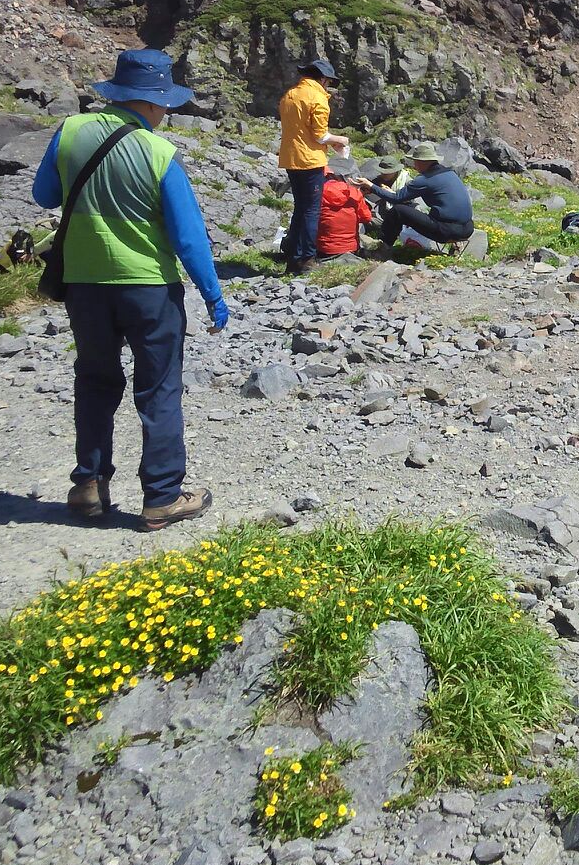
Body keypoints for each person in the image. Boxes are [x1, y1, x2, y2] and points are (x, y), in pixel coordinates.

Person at [31, 49, 229, 532]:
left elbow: (45, 195)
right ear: (152, 102)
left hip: (84, 284)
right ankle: (162, 497)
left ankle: (88, 486)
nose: (166, 113)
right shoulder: (159, 153)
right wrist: (212, 295)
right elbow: (188, 237)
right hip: (148, 289)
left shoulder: (71, 131)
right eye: (165, 104)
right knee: (158, 389)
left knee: (95, 380)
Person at [277, 58, 349, 276]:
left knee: (300, 208)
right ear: (323, 79)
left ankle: (293, 257)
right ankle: (307, 258)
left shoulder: (289, 95)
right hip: (309, 160)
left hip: (290, 158)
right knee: (311, 210)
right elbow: (319, 135)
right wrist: (341, 140)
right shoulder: (317, 97)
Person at [351, 141, 474, 249]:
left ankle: (384, 247)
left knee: (398, 211)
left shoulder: (425, 179)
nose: (414, 165)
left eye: (415, 161)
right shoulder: (449, 173)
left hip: (446, 230)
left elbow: (396, 198)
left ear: (421, 162)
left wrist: (370, 185)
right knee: (408, 208)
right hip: (468, 228)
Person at [316, 169, 372, 260]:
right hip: (351, 248)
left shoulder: (318, 193)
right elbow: (367, 218)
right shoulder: (355, 192)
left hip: (325, 250)